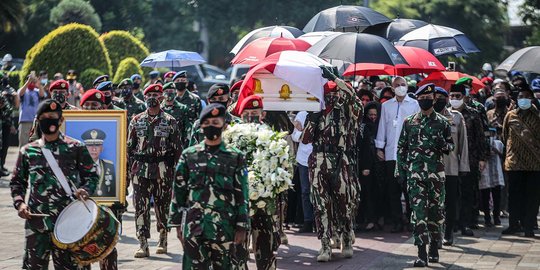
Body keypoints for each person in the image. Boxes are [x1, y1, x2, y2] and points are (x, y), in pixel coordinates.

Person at [10, 99, 98, 269]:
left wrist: (85, 190)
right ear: (38, 121)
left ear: (61, 120)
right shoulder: (28, 151)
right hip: (37, 224)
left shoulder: (76, 147)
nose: (48, 120)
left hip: (69, 224)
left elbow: (92, 176)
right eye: (43, 117)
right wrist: (20, 204)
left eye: (52, 116)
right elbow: (17, 182)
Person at [168, 103, 249, 269]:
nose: (211, 127)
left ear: (224, 126)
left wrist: (242, 226)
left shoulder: (235, 156)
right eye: (207, 124)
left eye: (216, 123)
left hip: (224, 227)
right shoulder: (189, 155)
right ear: (201, 127)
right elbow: (179, 191)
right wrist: (176, 223)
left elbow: (242, 194)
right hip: (194, 226)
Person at [302, 66, 360, 262]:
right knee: (320, 205)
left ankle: (346, 239)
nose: (333, 97)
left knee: (343, 203)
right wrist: (314, 119)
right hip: (318, 161)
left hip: (339, 161)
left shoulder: (346, 110)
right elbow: (305, 139)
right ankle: (325, 245)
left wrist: (336, 78)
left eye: (336, 93)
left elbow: (355, 99)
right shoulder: (315, 111)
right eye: (330, 94)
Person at [396, 83, 454, 267]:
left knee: (436, 212)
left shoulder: (443, 123)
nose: (424, 101)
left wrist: (442, 144)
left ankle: (435, 248)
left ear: (434, 99)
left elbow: (450, 147)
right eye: (421, 99)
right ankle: (422, 253)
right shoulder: (409, 121)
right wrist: (402, 169)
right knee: (418, 213)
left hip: (436, 176)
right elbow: (401, 148)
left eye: (427, 99)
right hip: (416, 176)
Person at [127, 84, 181, 257]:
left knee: (162, 206)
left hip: (162, 170)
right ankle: (142, 243)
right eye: (149, 94)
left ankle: (163, 238)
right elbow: (129, 147)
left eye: (156, 94)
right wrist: (129, 171)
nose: (152, 97)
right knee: (140, 207)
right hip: (140, 170)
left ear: (162, 97)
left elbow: (177, 149)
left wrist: (176, 173)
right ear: (144, 97)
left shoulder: (170, 121)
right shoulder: (136, 120)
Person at [375, 76, 419, 233]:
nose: (401, 87)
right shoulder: (386, 106)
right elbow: (382, 127)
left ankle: (412, 220)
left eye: (403, 85)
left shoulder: (414, 105)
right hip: (391, 154)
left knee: (409, 190)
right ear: (392, 88)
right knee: (393, 190)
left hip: (408, 154)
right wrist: (379, 147)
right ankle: (397, 220)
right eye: (397, 85)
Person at [449, 83, 489, 236]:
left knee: (468, 193)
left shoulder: (473, 114)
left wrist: (482, 158)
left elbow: (480, 137)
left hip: (470, 159)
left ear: (464, 97)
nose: (454, 99)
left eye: (457, 96)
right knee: (453, 194)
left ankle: (466, 223)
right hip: (451, 160)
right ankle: (453, 223)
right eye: (452, 96)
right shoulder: (444, 114)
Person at [501, 86, 540, 237]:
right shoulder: (510, 116)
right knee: (514, 196)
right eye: (520, 96)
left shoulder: (537, 116)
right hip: (514, 162)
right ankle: (513, 225)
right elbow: (505, 136)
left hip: (534, 163)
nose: (522, 99)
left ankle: (529, 226)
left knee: (532, 197)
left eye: (526, 96)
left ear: (531, 99)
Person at [435, 87, 469, 246]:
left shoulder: (456, 117)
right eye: (435, 97)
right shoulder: (422, 118)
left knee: (450, 202)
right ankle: (435, 232)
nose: (438, 100)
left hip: (451, 168)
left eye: (442, 97)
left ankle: (448, 233)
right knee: (433, 203)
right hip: (431, 168)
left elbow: (463, 144)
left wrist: (463, 167)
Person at [356, 101, 381, 231]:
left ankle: (373, 219)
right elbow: (363, 147)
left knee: (373, 193)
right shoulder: (362, 126)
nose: (372, 117)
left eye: (375, 114)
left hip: (375, 165)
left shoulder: (379, 126)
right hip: (363, 164)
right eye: (370, 114)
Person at [291, 110, 314, 233]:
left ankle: (319, 220)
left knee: (318, 191)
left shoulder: (322, 112)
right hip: (303, 158)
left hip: (319, 156)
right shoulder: (302, 114)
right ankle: (307, 220)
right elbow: (295, 137)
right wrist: (300, 130)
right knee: (305, 191)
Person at [479, 128, 504, 227]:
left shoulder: (498, 143)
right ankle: (487, 218)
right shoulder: (481, 142)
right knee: (485, 196)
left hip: (496, 171)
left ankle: (496, 217)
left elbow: (503, 154)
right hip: (485, 170)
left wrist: (495, 150)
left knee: (497, 196)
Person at [82, 128, 116, 197]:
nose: (93, 149)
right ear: (84, 148)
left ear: (102, 148)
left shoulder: (109, 165)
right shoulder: (79, 166)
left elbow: (113, 190)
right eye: (90, 145)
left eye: (97, 145)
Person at [18, 72, 45, 148]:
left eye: (33, 82)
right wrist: (28, 81)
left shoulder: (37, 91)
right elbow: (20, 94)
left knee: (36, 142)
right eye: (31, 82)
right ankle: (22, 158)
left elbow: (42, 95)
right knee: (23, 143)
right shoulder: (22, 89)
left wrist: (39, 84)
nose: (32, 83)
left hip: (35, 120)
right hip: (25, 120)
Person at [0, 71, 18, 176]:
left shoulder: (9, 89)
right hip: (2, 121)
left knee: (4, 145)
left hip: (6, 121)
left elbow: (14, 105)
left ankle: (1, 166)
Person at [161, 82, 190, 146]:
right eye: (166, 91)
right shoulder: (159, 109)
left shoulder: (183, 108)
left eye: (171, 91)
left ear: (175, 92)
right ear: (162, 94)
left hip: (178, 145)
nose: (169, 93)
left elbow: (187, 129)